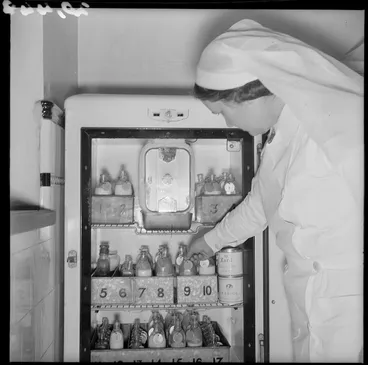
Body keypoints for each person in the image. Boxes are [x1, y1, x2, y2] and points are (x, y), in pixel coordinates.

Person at [186, 19, 363, 363]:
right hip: (311, 296)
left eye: (224, 112)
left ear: (254, 94)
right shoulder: (284, 132)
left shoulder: (340, 129)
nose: (228, 124)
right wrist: (210, 241)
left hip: (346, 301)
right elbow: (262, 204)